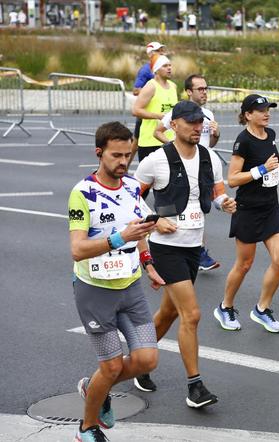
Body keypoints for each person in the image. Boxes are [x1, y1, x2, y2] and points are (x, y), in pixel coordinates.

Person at [133, 101, 236, 407]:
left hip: (193, 246)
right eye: (190, 122)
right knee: (191, 314)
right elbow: (129, 199)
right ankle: (195, 386)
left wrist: (224, 203)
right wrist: (154, 219)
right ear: (174, 125)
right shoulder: (156, 160)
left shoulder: (209, 157)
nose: (197, 127)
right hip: (167, 249)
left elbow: (217, 194)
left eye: (199, 122)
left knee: (169, 312)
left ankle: (139, 361)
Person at [69, 122, 163, 441]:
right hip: (95, 293)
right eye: (116, 155)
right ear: (99, 153)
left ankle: (94, 387)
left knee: (147, 359)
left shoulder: (133, 187)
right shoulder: (82, 193)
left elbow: (139, 230)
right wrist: (117, 237)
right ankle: (87, 427)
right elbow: (78, 249)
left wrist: (148, 263)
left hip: (131, 287)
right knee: (109, 368)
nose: (123, 161)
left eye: (128, 155)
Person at [214, 94, 279, 333]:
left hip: (271, 208)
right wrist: (261, 169)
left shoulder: (272, 135)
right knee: (244, 264)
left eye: (268, 109)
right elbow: (233, 179)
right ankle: (225, 307)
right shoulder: (243, 140)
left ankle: (262, 309)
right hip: (248, 210)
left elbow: (271, 167)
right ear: (248, 115)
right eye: (261, 110)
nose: (267, 113)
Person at [155, 74, 221, 272]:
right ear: (189, 92)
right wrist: (174, 149)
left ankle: (196, 251)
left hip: (203, 168)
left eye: (206, 88)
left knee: (201, 208)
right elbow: (157, 131)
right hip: (181, 168)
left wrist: (216, 134)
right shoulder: (178, 112)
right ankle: (180, 249)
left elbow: (210, 144)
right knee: (179, 206)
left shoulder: (209, 114)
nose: (204, 92)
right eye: (200, 89)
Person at [131, 54, 177, 169]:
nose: (169, 68)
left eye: (170, 65)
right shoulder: (151, 86)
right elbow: (135, 110)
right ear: (156, 70)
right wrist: (159, 116)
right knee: (146, 184)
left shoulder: (173, 86)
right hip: (149, 142)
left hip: (169, 140)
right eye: (165, 66)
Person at [131, 42, 166, 162]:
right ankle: (124, 170)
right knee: (135, 144)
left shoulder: (164, 67)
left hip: (161, 115)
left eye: (162, 50)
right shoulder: (145, 70)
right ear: (150, 54)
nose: (162, 52)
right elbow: (135, 90)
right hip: (147, 114)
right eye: (158, 50)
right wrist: (149, 91)